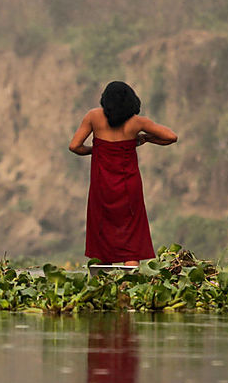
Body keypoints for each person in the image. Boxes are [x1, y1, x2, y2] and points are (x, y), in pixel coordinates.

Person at [69, 81, 177, 265]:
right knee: (131, 235)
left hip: (101, 186)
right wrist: (146, 139)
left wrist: (95, 150)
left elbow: (74, 146)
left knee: (101, 230)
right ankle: (131, 285)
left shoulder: (93, 116)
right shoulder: (137, 122)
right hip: (129, 187)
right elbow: (171, 137)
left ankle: (101, 283)